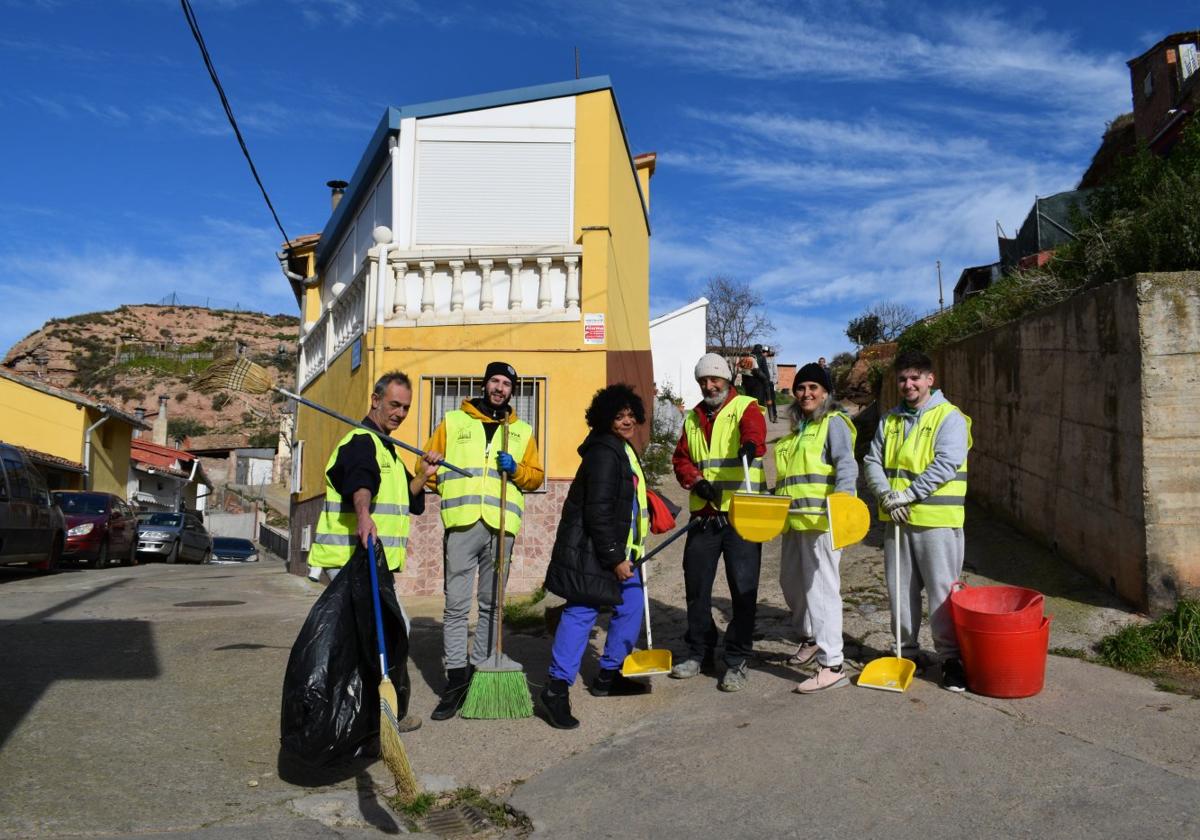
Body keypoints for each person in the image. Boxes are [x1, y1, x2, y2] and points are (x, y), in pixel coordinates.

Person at [307, 370, 441, 730]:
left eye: (406, 408)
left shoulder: (387, 450)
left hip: (372, 563)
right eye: (394, 404)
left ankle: (371, 715)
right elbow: (360, 482)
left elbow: (404, 499)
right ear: (375, 401)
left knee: (378, 635)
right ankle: (373, 717)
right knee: (387, 634)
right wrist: (363, 515)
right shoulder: (361, 443)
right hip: (352, 559)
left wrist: (424, 475)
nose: (399, 413)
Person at [424, 361, 545, 720]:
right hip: (462, 525)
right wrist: (440, 481)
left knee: (493, 603)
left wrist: (517, 470)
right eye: (494, 381)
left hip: (501, 527)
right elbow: (428, 470)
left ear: (512, 391)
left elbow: (535, 477)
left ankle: (481, 667)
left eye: (506, 384)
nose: (499, 388)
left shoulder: (522, 431)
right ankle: (457, 680)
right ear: (484, 384)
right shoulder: (454, 421)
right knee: (457, 605)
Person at [540, 384, 652, 729]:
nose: (626, 421)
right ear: (605, 419)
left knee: (631, 605)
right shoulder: (605, 452)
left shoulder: (621, 450)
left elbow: (623, 500)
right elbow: (598, 512)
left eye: (631, 415)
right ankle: (556, 689)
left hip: (621, 550)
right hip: (596, 551)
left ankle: (609, 675)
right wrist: (615, 557)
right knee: (582, 612)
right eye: (619, 416)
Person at [863, 350, 973, 692]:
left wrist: (906, 494)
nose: (907, 384)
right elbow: (871, 461)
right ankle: (905, 652)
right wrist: (885, 495)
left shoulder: (949, 417)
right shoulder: (890, 420)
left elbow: (946, 463)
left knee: (942, 594)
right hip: (898, 520)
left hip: (937, 521)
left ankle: (951, 660)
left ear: (930, 380)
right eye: (902, 379)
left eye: (914, 378)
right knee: (900, 592)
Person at [670, 353, 767, 691]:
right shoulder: (693, 419)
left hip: (741, 515)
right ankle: (699, 650)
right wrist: (696, 481)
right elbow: (681, 458)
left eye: (715, 379)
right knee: (697, 588)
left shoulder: (746, 407)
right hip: (705, 517)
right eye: (703, 381)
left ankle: (738, 658)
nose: (709, 385)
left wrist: (751, 445)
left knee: (743, 589)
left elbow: (755, 432)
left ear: (727, 380)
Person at [774, 363, 858, 692]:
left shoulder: (833, 423)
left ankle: (832, 663)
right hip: (794, 522)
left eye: (813, 387)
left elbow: (846, 465)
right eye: (801, 388)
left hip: (822, 522)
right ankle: (810, 638)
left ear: (826, 392)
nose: (806, 393)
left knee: (821, 591)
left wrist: (844, 505)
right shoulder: (798, 431)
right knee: (791, 584)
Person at [751, 343, 778, 423]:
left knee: (771, 400)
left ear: (768, 352)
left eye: (766, 351)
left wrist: (773, 381)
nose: (764, 353)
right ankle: (758, 417)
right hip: (760, 383)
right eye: (763, 351)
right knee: (760, 400)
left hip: (769, 382)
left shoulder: (771, 360)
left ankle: (773, 416)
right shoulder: (757, 358)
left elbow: (775, 371)